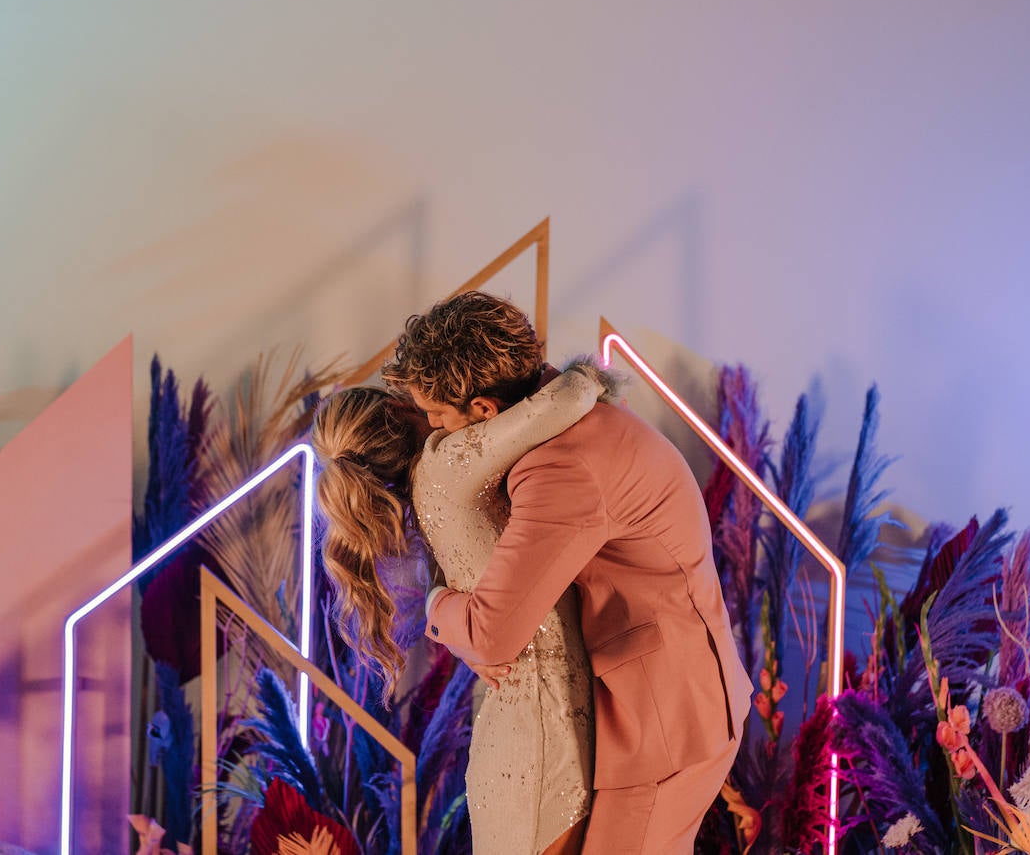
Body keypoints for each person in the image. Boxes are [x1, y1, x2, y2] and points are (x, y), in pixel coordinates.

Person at [384, 291, 754, 855]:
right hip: (671, 699)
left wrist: (433, 603)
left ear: (484, 413)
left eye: (437, 419)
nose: (433, 435)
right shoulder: (577, 415)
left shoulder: (561, 469)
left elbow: (492, 635)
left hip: (667, 721)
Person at [312, 361, 611, 854]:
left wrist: (446, 613)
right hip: (547, 731)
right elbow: (572, 394)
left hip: (510, 729)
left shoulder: (427, 495)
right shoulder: (448, 462)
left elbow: (431, 592)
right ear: (396, 405)